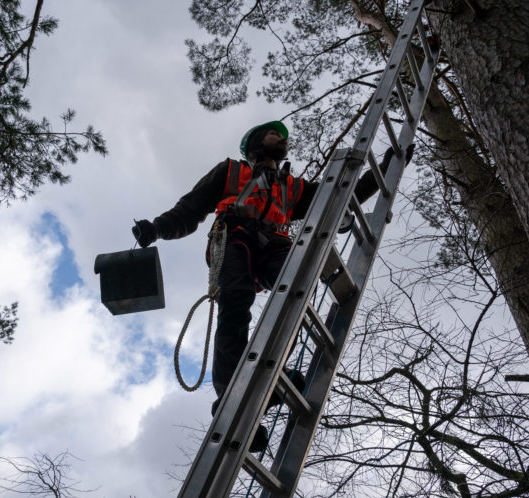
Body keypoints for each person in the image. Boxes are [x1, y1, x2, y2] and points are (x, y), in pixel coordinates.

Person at [132, 120, 406, 452]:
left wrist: (384, 169)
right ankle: (230, 400)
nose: (282, 138)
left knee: (294, 294)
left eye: (283, 136)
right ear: (255, 144)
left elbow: (338, 196)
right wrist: (157, 229)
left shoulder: (291, 186)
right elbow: (191, 208)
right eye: (274, 134)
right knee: (235, 306)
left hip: (276, 244)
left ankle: (269, 380)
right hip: (234, 236)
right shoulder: (230, 171)